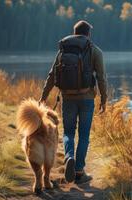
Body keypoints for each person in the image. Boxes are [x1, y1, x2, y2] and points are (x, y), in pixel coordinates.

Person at [39, 20, 107, 184]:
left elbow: (52, 75)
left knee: (68, 132)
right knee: (84, 134)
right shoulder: (94, 50)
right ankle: (78, 171)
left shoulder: (63, 49)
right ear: (88, 34)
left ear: (75, 32)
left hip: (67, 98)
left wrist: (43, 96)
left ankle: (69, 157)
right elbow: (102, 78)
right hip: (87, 98)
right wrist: (104, 99)